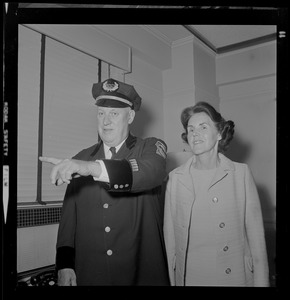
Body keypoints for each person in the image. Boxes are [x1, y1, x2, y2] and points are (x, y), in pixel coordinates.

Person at [39, 78, 170, 286]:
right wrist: (64, 263)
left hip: (141, 271)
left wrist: (92, 168)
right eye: (101, 114)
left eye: (114, 114)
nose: (105, 121)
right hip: (92, 272)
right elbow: (69, 217)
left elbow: (152, 171)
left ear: (131, 116)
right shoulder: (82, 156)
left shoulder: (150, 147)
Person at [163, 101, 269, 287]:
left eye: (203, 127)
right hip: (190, 278)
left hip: (233, 277)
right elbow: (170, 240)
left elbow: (257, 242)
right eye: (191, 129)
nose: (195, 134)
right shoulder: (175, 179)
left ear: (219, 133)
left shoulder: (241, 174)